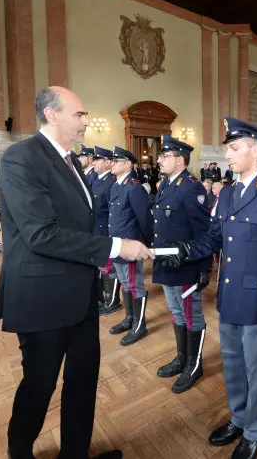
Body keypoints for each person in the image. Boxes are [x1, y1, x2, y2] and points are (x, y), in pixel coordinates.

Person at [0, 86, 152, 459]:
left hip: (80, 295)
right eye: (79, 114)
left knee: (82, 383)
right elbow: (40, 233)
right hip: (43, 298)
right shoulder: (22, 158)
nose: (86, 121)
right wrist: (116, 246)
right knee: (39, 386)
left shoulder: (70, 161)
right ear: (51, 114)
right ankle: (20, 454)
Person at [155, 117, 257, 459]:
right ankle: (238, 417)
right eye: (227, 150)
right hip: (229, 296)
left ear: (254, 150)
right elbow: (215, 236)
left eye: (234, 149)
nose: (228, 156)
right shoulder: (229, 192)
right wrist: (188, 250)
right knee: (234, 365)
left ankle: (255, 430)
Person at [152, 134, 212, 393]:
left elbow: (203, 232)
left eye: (164, 156)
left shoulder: (191, 188)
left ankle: (194, 364)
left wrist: (203, 268)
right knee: (176, 313)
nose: (158, 160)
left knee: (191, 314)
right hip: (166, 261)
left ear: (180, 160)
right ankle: (182, 357)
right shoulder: (165, 185)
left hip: (187, 264)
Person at [107, 145, 153, 346]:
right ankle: (129, 318)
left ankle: (139, 324)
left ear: (127, 164)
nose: (112, 164)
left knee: (135, 285)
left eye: (116, 161)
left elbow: (144, 219)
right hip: (117, 244)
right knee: (125, 283)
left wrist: (144, 244)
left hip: (131, 245)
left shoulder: (134, 187)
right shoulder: (116, 185)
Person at [90, 146, 122, 316]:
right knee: (100, 268)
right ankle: (104, 298)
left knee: (108, 268)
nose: (93, 162)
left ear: (108, 162)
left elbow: (113, 210)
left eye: (98, 159)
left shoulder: (111, 182)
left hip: (105, 230)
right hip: (95, 229)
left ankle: (112, 300)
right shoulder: (95, 179)